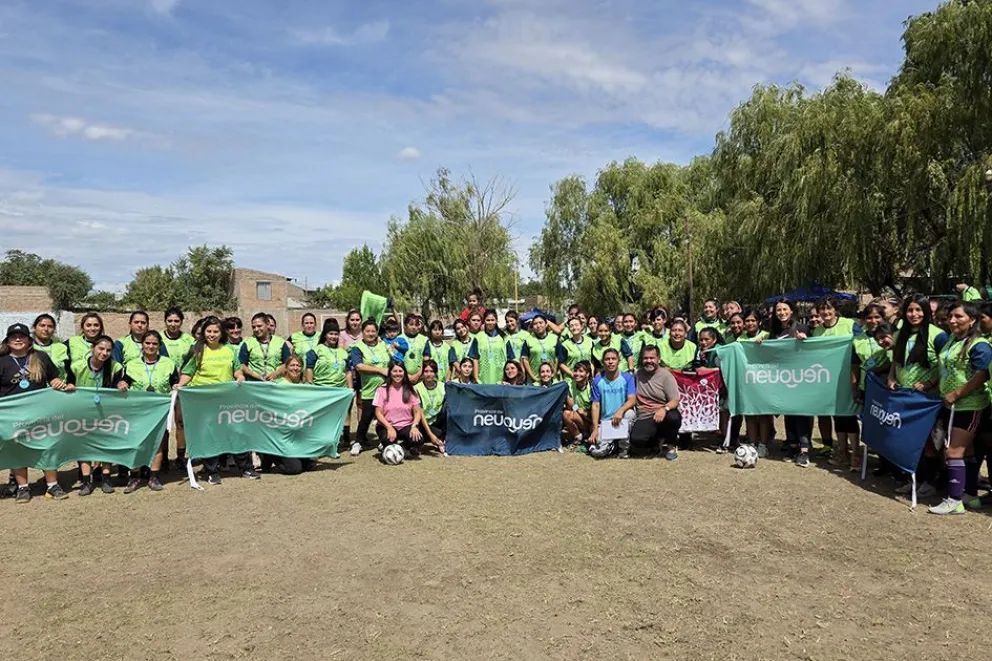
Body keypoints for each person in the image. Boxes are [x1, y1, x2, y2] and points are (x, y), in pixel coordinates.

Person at [177, 316, 257, 484]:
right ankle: (212, 471)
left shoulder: (229, 350)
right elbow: (188, 372)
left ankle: (246, 468)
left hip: (226, 399)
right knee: (208, 435)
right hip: (204, 400)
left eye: (215, 331)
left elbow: (236, 370)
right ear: (204, 333)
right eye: (209, 331)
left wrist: (240, 376)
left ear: (222, 333)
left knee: (236, 431)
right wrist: (180, 385)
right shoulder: (197, 350)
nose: (212, 335)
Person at [930, 302, 991, 515]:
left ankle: (954, 499)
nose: (952, 320)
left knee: (953, 451)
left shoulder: (979, 345)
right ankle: (970, 495)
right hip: (950, 405)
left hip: (968, 406)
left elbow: (982, 374)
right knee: (969, 451)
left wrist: (957, 394)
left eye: (959, 317)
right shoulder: (951, 341)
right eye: (950, 317)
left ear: (972, 320)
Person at [0, 323, 72, 503]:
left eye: (22, 336)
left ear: (29, 340)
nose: (18, 339)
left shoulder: (40, 357)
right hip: (12, 415)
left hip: (40, 412)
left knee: (47, 446)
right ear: (7, 341)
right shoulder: (1, 361)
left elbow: (53, 377)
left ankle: (52, 485)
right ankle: (23, 488)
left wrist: (57, 383)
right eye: (13, 337)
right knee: (17, 449)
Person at [67, 334, 127, 495]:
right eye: (101, 348)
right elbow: (69, 382)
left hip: (105, 413)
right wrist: (70, 385)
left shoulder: (115, 367)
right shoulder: (77, 366)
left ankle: (106, 478)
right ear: (92, 348)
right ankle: (86, 481)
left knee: (106, 444)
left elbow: (117, 388)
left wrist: (121, 384)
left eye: (108, 350)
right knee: (84, 446)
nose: (104, 353)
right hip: (82, 412)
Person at [120, 330, 177, 492]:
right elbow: (125, 381)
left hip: (160, 410)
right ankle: (135, 477)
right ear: (142, 345)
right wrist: (122, 384)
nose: (151, 346)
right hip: (138, 409)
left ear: (159, 346)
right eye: (147, 343)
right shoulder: (131, 364)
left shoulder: (168, 363)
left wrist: (176, 386)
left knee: (157, 443)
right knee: (136, 443)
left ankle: (154, 476)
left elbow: (174, 382)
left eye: (154, 343)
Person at [812, 298, 859, 467]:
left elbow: (860, 345)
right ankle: (843, 452)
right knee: (837, 415)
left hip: (849, 377)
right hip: (828, 380)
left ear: (836, 310)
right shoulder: (817, 331)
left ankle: (856, 454)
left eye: (829, 308)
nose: (825, 312)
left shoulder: (849, 325)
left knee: (849, 415)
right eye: (822, 309)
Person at [765, 298, 812, 467]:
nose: (782, 313)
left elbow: (814, 350)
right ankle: (792, 445)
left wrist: (805, 341)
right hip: (783, 378)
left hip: (801, 378)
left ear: (791, 311)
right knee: (789, 412)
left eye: (785, 309)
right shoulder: (774, 331)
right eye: (778, 310)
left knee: (801, 414)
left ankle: (804, 450)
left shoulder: (802, 328)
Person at [630, 344, 683, 460]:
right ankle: (656, 443)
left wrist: (664, 409)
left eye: (652, 358)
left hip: (663, 414)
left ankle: (671, 445)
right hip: (645, 415)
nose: (649, 361)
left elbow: (675, 400)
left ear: (658, 359)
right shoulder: (637, 374)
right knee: (636, 440)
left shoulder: (666, 376)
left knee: (673, 417)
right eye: (645, 358)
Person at [350, 319, 392, 455]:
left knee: (386, 417)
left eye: (373, 331)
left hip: (386, 389)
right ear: (362, 332)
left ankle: (384, 441)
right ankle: (358, 442)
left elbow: (392, 360)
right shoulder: (357, 348)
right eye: (368, 331)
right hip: (369, 389)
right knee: (366, 418)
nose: (371, 333)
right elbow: (359, 366)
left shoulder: (383, 345)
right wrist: (380, 370)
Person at [587, 349, 637, 459]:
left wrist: (620, 411)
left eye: (613, 359)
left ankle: (623, 449)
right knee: (598, 449)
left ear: (618, 361)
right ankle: (612, 444)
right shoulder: (597, 381)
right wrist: (595, 428)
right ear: (603, 362)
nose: (610, 362)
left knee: (630, 414)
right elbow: (595, 405)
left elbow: (632, 400)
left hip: (622, 417)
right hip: (606, 422)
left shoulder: (627, 378)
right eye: (607, 359)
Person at [374, 361, 428, 458]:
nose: (397, 374)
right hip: (387, 425)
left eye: (400, 371)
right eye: (394, 371)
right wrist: (389, 427)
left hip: (406, 425)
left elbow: (417, 411)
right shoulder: (381, 389)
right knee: (388, 440)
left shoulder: (410, 389)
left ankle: (401, 447)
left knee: (419, 440)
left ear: (404, 373)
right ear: (390, 373)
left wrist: (414, 426)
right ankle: (386, 446)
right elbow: (378, 413)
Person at [239, 312, 291, 382]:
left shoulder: (280, 342)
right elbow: (242, 365)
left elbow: (287, 363)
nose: (256, 329)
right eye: (253, 327)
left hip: (276, 383)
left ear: (267, 325)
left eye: (259, 326)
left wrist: (275, 374)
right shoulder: (247, 343)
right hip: (254, 384)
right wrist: (256, 376)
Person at [414, 359, 446, 451]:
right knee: (418, 437)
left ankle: (443, 438)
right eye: (426, 371)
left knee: (448, 406)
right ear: (422, 373)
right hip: (423, 423)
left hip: (437, 422)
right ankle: (438, 438)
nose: (429, 374)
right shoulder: (416, 388)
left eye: (431, 371)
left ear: (435, 373)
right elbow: (419, 413)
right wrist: (430, 434)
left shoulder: (443, 386)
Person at [520, 314, 558, 384]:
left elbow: (558, 357)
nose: (538, 326)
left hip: (551, 378)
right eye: (535, 324)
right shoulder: (528, 340)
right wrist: (532, 377)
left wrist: (554, 372)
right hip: (534, 380)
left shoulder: (554, 338)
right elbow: (524, 359)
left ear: (546, 324)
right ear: (532, 326)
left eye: (541, 323)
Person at [474, 310, 510, 385]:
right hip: (483, 379)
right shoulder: (478, 337)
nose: (490, 322)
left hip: (501, 378)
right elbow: (475, 359)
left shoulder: (504, 337)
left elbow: (510, 358)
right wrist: (476, 378)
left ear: (496, 321)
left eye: (492, 320)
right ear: (484, 321)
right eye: (488, 320)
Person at [563, 360, 593, 447]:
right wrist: (578, 410)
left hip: (592, 419)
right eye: (575, 371)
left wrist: (584, 413)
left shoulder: (592, 386)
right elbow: (570, 402)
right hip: (579, 415)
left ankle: (588, 434)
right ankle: (578, 437)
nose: (577, 373)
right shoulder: (569, 384)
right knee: (566, 414)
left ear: (587, 374)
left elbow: (596, 408)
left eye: (581, 371)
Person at [557, 317, 594, 384]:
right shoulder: (565, 345)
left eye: (576, 325)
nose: (574, 328)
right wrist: (572, 374)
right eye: (571, 326)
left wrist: (591, 374)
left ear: (581, 326)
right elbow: (561, 363)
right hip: (572, 380)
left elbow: (592, 361)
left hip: (587, 380)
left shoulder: (589, 341)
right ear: (569, 329)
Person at [31, 313, 68, 380]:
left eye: (50, 326)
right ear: (34, 328)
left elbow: (70, 370)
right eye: (42, 325)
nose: (46, 329)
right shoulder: (28, 348)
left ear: (54, 329)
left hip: (59, 387)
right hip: (39, 388)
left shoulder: (62, 347)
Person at [400, 314, 428, 384]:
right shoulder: (399, 339)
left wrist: (418, 375)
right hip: (402, 378)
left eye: (416, 325)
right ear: (405, 326)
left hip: (420, 379)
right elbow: (397, 360)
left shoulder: (424, 340)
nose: (414, 327)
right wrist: (406, 376)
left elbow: (426, 360)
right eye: (411, 324)